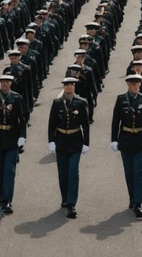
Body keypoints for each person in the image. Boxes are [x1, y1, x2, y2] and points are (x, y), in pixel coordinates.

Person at [110, 73, 142, 218]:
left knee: (138, 170)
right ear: (128, 85)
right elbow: (115, 120)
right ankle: (132, 197)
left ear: (140, 85)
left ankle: (138, 203)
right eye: (132, 84)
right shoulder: (121, 99)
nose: (135, 86)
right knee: (129, 172)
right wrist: (114, 139)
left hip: (141, 140)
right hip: (125, 139)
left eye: (137, 84)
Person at [48, 75, 90, 219]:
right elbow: (51, 123)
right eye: (66, 85)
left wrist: (86, 143)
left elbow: (85, 124)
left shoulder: (81, 102)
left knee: (73, 172)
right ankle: (65, 198)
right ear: (64, 87)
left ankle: (72, 203)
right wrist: (51, 141)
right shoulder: (57, 103)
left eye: (71, 85)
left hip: (75, 141)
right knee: (63, 172)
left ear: (74, 86)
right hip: (60, 140)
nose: (69, 87)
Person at [0, 74, 26, 214]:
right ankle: (1, 195)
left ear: (11, 83)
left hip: (11, 137)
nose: (5, 84)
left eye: (7, 82)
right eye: (3, 82)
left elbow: (22, 118)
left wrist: (22, 136)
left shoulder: (17, 98)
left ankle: (8, 200)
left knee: (9, 169)